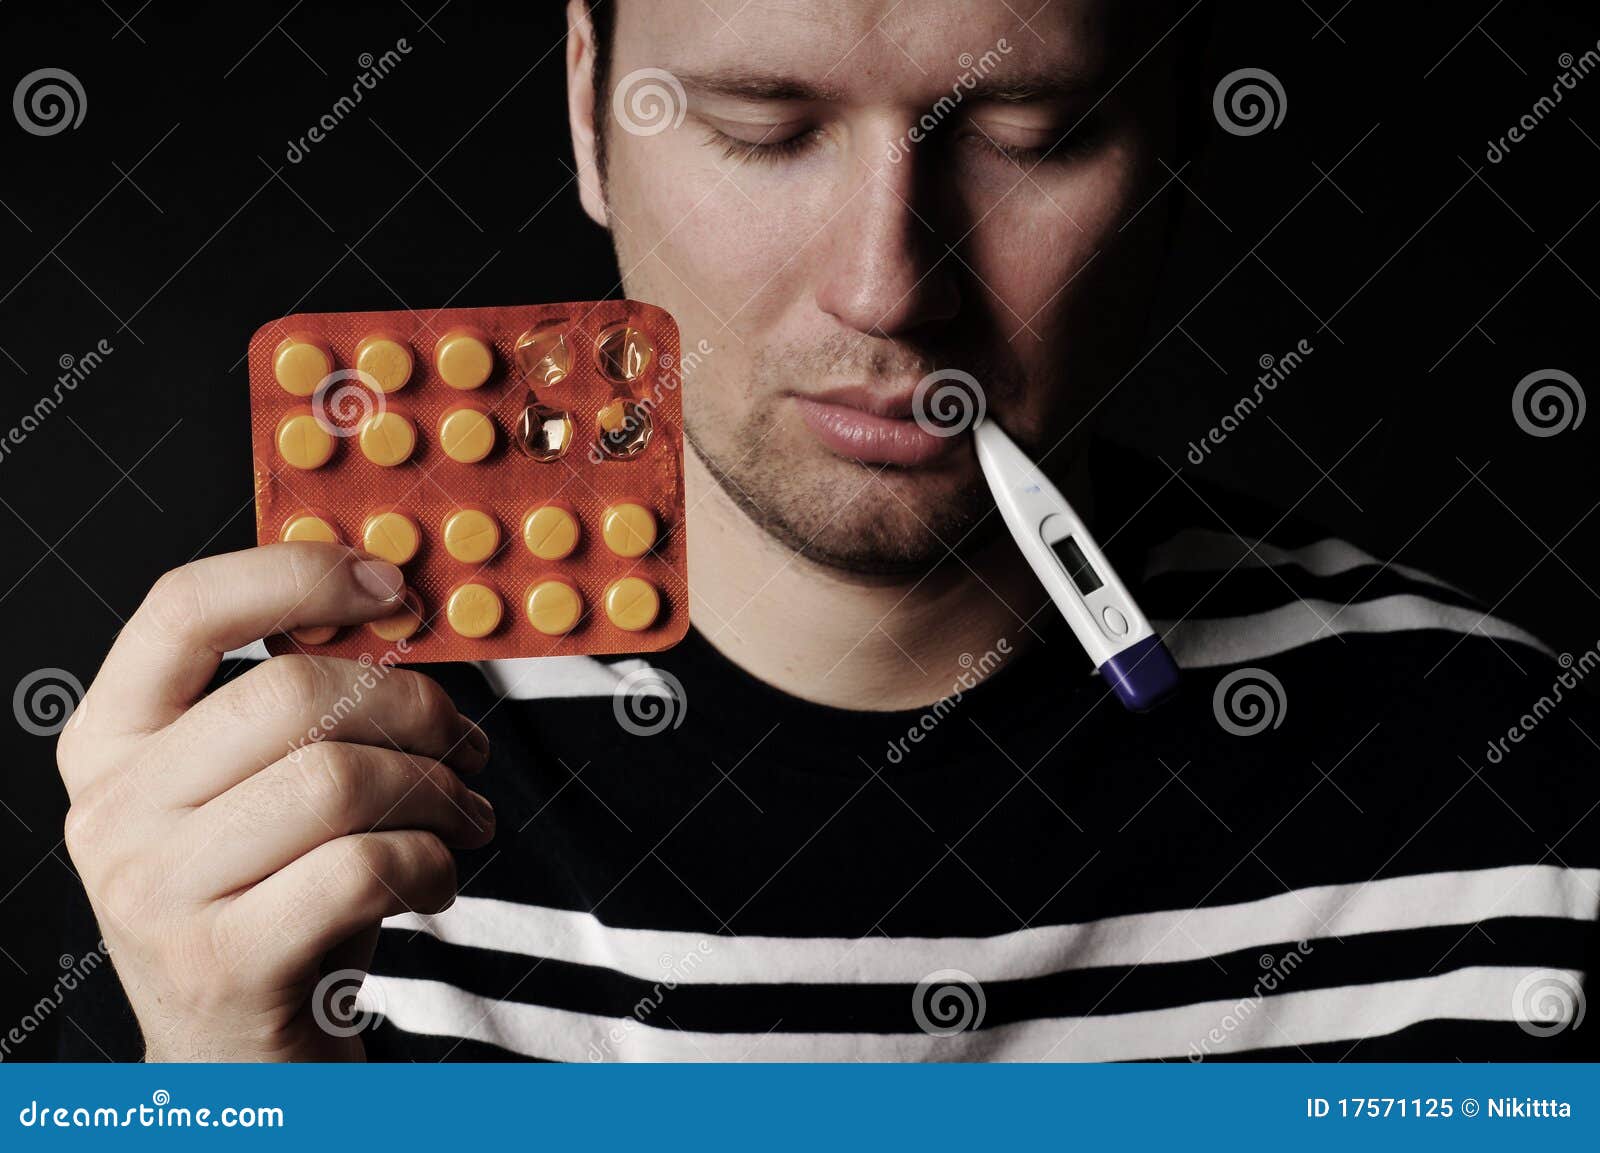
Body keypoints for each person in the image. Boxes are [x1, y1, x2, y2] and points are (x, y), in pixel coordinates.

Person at [58, 0, 1599, 1062]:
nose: (889, 284)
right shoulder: (269, 794)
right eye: (760, 122)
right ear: (591, 111)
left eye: (1036, 131)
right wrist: (213, 1082)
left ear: (1181, 133)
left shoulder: (1512, 792)